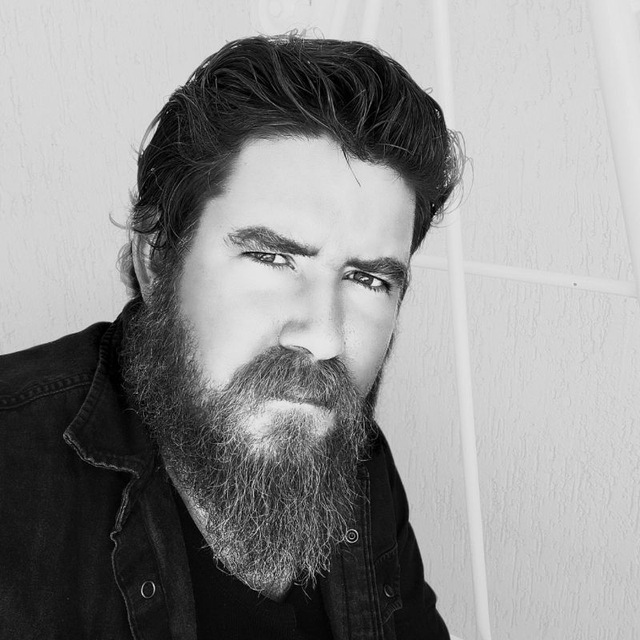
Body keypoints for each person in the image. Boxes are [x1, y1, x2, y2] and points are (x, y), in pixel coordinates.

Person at [0, 34, 462, 639]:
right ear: (157, 259)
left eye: (369, 279)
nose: (324, 337)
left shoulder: (353, 456)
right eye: (272, 258)